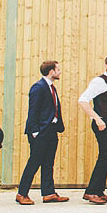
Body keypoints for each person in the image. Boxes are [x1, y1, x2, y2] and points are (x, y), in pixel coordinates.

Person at [16, 60, 68, 205]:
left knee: (48, 163)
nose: (59, 72)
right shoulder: (38, 87)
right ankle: (22, 193)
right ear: (51, 71)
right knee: (34, 162)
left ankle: (49, 193)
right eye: (57, 69)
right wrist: (34, 131)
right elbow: (33, 110)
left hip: (51, 130)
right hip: (40, 132)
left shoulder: (51, 87)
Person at [77, 54, 107, 205]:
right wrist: (97, 119)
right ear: (106, 66)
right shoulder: (99, 81)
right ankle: (91, 191)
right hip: (102, 124)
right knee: (104, 157)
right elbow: (83, 100)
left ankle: (99, 190)